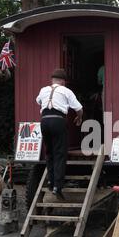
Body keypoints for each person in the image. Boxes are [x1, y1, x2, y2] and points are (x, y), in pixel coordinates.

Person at [36, 68, 83, 199]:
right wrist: (79, 117)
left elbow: (38, 101)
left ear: (52, 80)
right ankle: (58, 186)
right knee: (60, 154)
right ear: (63, 81)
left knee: (49, 152)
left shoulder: (43, 90)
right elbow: (79, 108)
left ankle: (50, 182)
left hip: (44, 121)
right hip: (58, 121)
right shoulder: (66, 91)